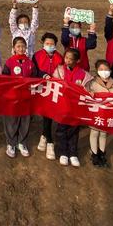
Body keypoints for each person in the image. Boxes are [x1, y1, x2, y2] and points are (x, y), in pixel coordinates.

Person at [51, 48, 92, 167]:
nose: (67, 60)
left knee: (74, 130)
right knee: (61, 129)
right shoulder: (59, 70)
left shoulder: (83, 74)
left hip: (76, 107)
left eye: (70, 59)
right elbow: (55, 83)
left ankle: (73, 153)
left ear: (77, 60)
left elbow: (88, 88)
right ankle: (62, 152)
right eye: (66, 58)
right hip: (62, 106)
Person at [33, 32, 64, 160]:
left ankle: (47, 139)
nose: (50, 45)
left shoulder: (59, 57)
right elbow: (34, 70)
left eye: (52, 44)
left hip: (54, 88)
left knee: (49, 113)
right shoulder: (37, 55)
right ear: (43, 44)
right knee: (45, 112)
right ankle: (46, 137)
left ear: (55, 45)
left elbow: (62, 72)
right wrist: (43, 75)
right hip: (41, 87)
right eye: (47, 43)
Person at [3, 37, 34, 158]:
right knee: (11, 121)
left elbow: (35, 78)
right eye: (18, 46)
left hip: (26, 98)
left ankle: (22, 142)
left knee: (25, 121)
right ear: (14, 48)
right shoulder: (9, 62)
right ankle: (11, 143)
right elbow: (4, 79)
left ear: (26, 48)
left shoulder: (30, 63)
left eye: (23, 46)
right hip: (12, 98)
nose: (21, 48)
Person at [86, 60, 113, 167]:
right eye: (101, 69)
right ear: (97, 71)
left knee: (103, 134)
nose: (104, 71)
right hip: (96, 113)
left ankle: (102, 153)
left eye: (106, 69)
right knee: (94, 133)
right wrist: (89, 92)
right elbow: (85, 91)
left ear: (110, 70)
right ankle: (94, 153)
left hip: (107, 114)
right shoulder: (92, 82)